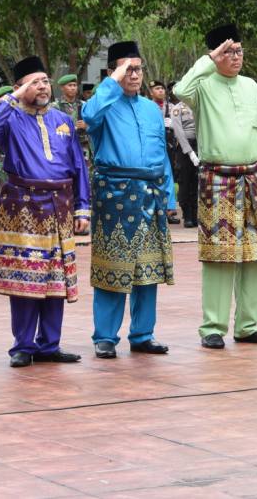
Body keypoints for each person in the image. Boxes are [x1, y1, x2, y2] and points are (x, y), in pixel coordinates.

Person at [0, 56, 90, 367]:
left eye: (44, 81)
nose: (42, 86)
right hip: (23, 205)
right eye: (34, 82)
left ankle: (50, 344)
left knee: (56, 277)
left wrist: (83, 209)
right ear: (18, 87)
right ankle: (23, 345)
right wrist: (12, 98)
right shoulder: (10, 119)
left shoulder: (63, 121)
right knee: (26, 278)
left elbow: (78, 166)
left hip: (60, 206)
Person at [175, 23, 257, 349]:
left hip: (254, 177)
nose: (235, 56)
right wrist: (209, 59)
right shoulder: (203, 86)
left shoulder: (251, 86)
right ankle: (213, 326)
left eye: (238, 50)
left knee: (252, 252)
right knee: (219, 254)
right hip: (217, 180)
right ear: (216, 54)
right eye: (228, 51)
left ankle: (248, 325)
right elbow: (180, 90)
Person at [82, 41, 176, 358]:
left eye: (138, 68)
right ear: (113, 72)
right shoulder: (102, 106)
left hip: (150, 192)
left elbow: (162, 155)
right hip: (114, 192)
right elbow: (88, 114)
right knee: (114, 265)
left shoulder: (151, 109)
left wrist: (169, 195)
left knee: (147, 270)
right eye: (127, 68)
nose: (134, 75)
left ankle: (143, 334)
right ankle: (105, 336)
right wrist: (113, 80)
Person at [148, 80, 181, 224]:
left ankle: (170, 208)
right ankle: (153, 209)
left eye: (162, 88)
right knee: (152, 176)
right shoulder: (146, 107)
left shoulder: (172, 107)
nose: (160, 91)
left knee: (168, 176)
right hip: (151, 145)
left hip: (168, 144)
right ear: (151, 92)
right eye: (157, 88)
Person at [170, 86, 201, 228]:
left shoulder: (198, 105)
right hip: (184, 148)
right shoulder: (177, 108)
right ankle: (187, 214)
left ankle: (195, 215)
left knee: (196, 182)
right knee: (185, 181)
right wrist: (190, 152)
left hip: (199, 145)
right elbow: (178, 132)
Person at [53, 72, 93, 171]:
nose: (73, 88)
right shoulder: (55, 107)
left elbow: (94, 124)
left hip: (82, 146)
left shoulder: (85, 105)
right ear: (62, 88)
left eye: (74, 85)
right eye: (69, 85)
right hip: (64, 147)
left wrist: (86, 126)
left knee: (85, 175)